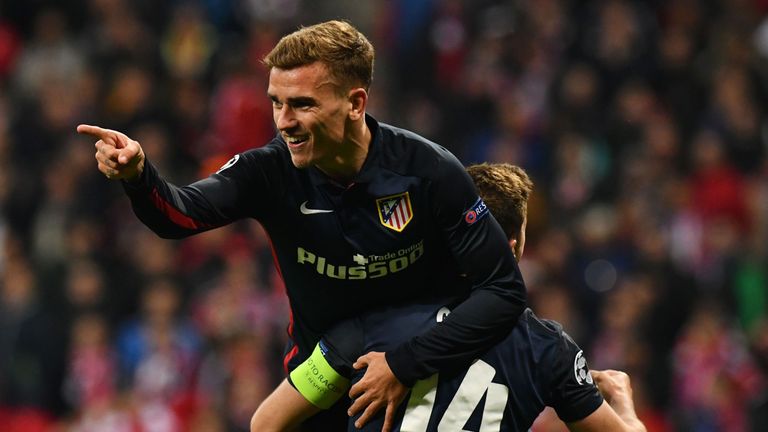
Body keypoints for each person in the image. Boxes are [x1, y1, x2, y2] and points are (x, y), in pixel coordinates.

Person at [76, 21, 527, 429]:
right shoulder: (269, 172)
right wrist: (138, 175)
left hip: (421, 378)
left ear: (355, 102)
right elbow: (180, 214)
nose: (284, 122)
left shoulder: (428, 172)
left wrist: (404, 363)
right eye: (276, 103)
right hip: (321, 382)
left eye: (302, 104)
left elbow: (502, 290)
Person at [250, 163, 647, 431]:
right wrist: (620, 396)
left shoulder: (371, 322)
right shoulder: (548, 350)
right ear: (512, 248)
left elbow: (265, 423)